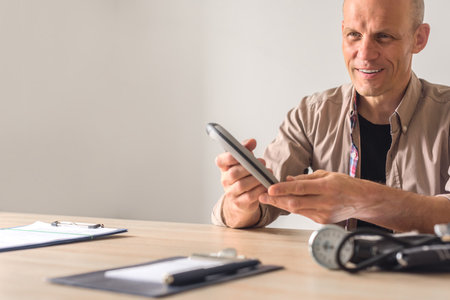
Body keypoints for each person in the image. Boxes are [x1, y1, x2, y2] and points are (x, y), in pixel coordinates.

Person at [211, 0, 450, 233]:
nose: (365, 54)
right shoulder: (311, 115)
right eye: (354, 35)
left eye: (384, 36)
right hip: (339, 271)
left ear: (419, 38)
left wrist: (360, 197)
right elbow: (258, 206)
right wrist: (241, 201)